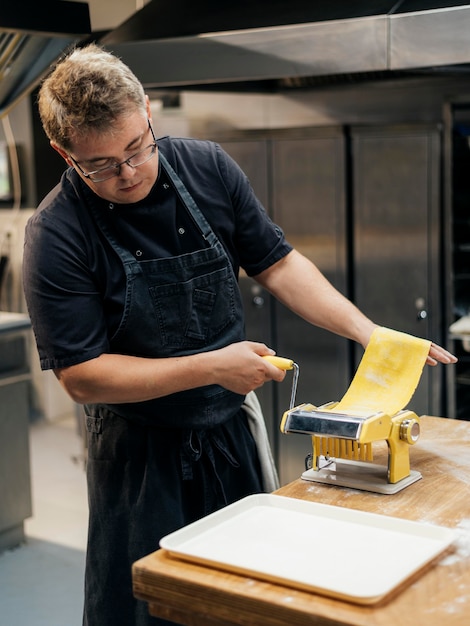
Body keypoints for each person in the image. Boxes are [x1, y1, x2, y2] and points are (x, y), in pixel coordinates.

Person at [22, 43, 456, 626]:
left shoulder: (207, 168)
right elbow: (82, 376)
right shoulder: (55, 233)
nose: (128, 174)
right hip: (139, 454)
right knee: (152, 604)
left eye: (137, 149)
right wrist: (211, 367)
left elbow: (277, 263)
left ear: (149, 112)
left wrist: (370, 333)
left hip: (229, 435)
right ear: (63, 152)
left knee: (250, 596)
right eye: (99, 165)